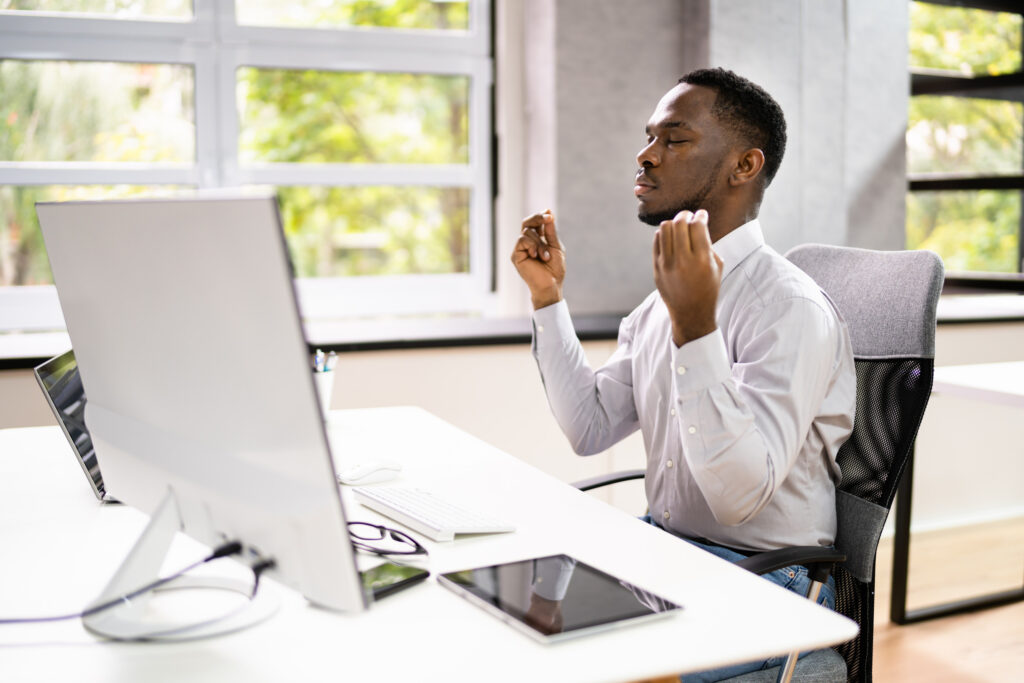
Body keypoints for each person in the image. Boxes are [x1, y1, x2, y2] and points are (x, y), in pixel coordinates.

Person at [511, 67, 856, 681]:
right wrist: (547, 299)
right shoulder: (657, 306)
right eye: (649, 137)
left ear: (744, 166)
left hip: (766, 579)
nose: (645, 156)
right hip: (665, 557)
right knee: (521, 626)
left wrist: (697, 329)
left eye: (674, 139)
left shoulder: (788, 309)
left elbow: (738, 497)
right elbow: (589, 427)